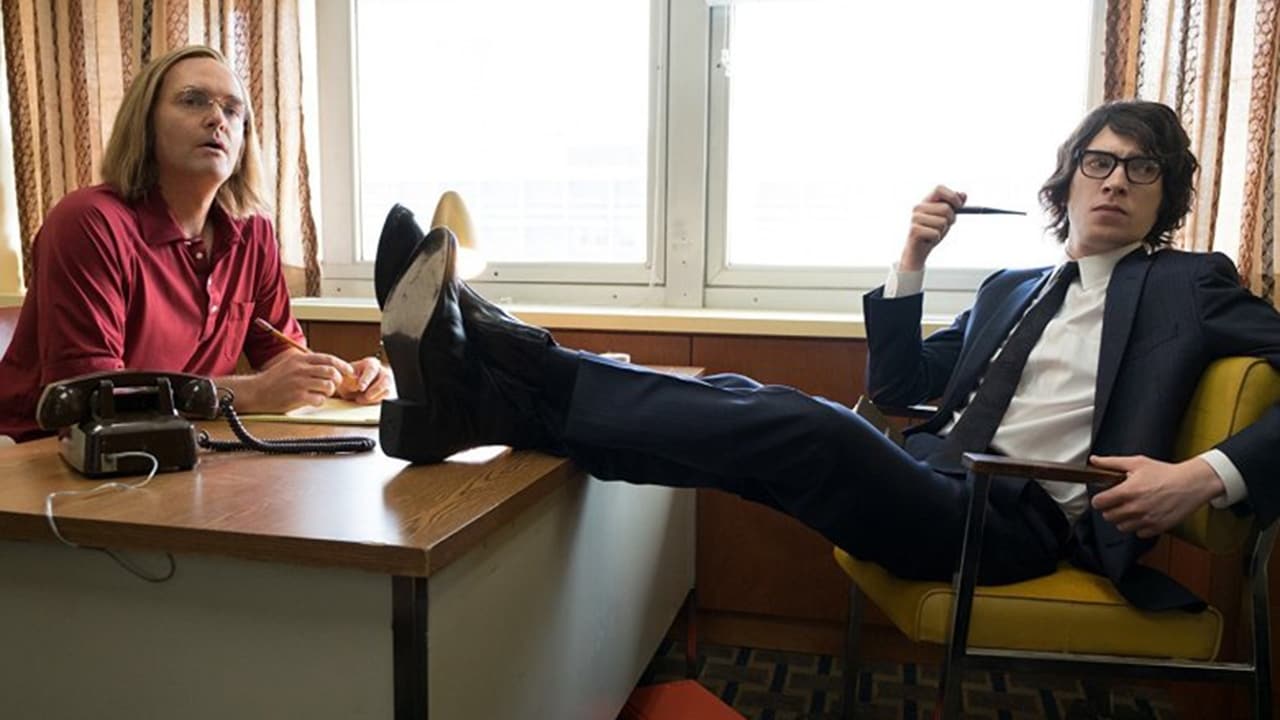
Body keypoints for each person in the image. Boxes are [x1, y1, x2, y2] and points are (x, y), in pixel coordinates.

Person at [373, 100, 1280, 611]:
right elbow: (900, 386)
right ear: (1066, 181)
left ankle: (508, 356)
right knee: (749, 408)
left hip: (1015, 524)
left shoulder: (1189, 284)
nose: (1117, 180)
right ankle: (484, 405)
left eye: (1143, 169)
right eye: (1099, 162)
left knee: (812, 428)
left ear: (1165, 196)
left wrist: (1204, 476)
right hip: (933, 479)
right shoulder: (1014, 288)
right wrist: (912, 259)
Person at [0, 45, 391, 442]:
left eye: (233, 110)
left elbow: (278, 350)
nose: (217, 119)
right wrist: (250, 393)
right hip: (40, 454)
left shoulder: (253, 232)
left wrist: (332, 378)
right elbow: (90, 397)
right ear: (144, 124)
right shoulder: (88, 222)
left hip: (179, 445)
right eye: (192, 100)